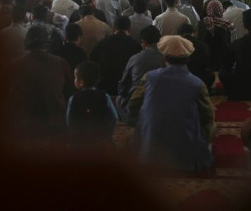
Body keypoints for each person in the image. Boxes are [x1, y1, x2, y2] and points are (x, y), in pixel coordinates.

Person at [128, 35, 215, 173]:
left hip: (150, 153)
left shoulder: (149, 78)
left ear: (165, 57)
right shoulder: (197, 83)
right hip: (185, 154)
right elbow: (208, 117)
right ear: (187, 59)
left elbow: (133, 105)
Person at [7, 25, 75, 141]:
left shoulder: (14, 65)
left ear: (26, 41)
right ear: (48, 42)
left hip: (23, 124)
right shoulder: (60, 63)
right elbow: (69, 92)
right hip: (56, 123)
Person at [116, 25, 164, 124]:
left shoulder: (136, 58)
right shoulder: (166, 58)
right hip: (161, 103)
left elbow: (123, 86)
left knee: (119, 99)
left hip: (138, 105)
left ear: (144, 41)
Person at [66, 61, 118, 148]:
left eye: (75, 77)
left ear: (81, 82)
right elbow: (114, 117)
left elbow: (69, 121)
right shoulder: (105, 96)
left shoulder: (73, 98)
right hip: (99, 140)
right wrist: (108, 134)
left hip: (79, 142)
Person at [90, 15, 140, 96]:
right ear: (129, 29)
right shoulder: (135, 45)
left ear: (114, 28)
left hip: (105, 84)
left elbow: (93, 57)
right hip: (127, 87)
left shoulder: (104, 42)